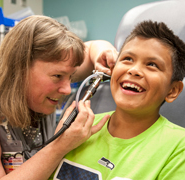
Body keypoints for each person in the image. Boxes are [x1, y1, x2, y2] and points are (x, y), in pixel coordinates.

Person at [0, 15, 118, 180]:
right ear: (20, 68)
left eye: (71, 76)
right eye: (58, 76)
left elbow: (94, 48)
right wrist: (61, 145)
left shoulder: (44, 85)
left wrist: (104, 53)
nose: (67, 89)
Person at [50, 20, 185, 180]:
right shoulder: (77, 126)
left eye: (152, 64)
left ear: (172, 90)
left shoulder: (178, 148)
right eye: (127, 59)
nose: (134, 70)